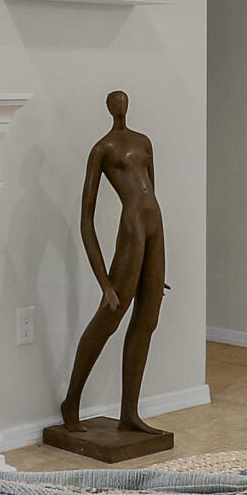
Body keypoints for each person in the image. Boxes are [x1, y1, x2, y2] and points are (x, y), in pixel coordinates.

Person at [61, 89, 167, 434]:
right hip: (132, 226)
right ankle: (72, 402)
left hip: (154, 224)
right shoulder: (102, 149)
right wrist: (104, 281)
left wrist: (156, 267)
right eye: (115, 101)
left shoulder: (144, 141)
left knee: (148, 319)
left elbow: (153, 190)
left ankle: (130, 413)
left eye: (123, 100)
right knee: (110, 317)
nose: (120, 105)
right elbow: (86, 219)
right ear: (109, 107)